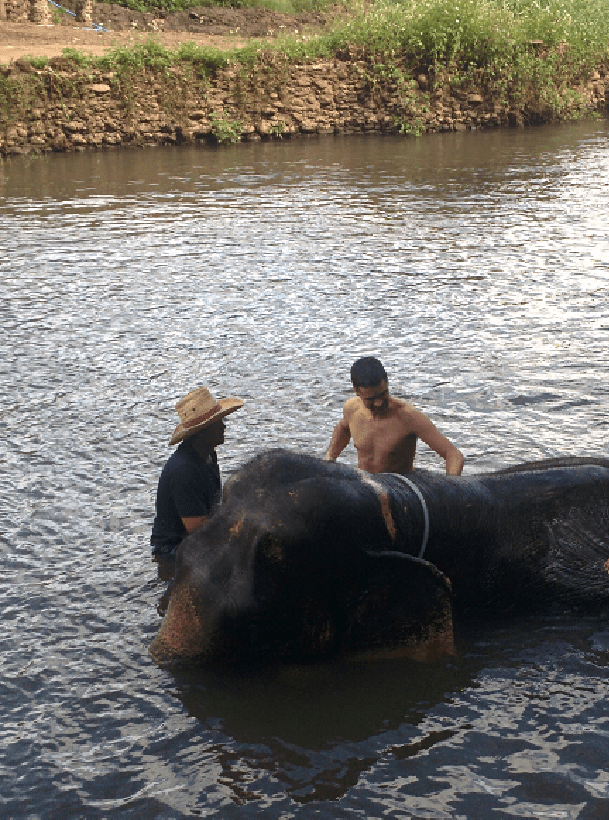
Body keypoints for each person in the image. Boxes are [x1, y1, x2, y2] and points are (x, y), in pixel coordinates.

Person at [324, 356, 464, 476]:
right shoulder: (351, 409)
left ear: (387, 383)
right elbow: (343, 428)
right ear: (356, 391)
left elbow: (453, 455)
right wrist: (330, 457)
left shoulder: (408, 417)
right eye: (371, 399)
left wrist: (451, 487)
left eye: (383, 394)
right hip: (366, 487)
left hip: (398, 490)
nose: (378, 403)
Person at [150, 385, 244, 556]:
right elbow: (195, 528)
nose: (224, 427)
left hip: (198, 536)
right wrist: (233, 529)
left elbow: (212, 508)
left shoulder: (208, 455)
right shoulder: (184, 470)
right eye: (218, 423)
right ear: (202, 432)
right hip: (175, 548)